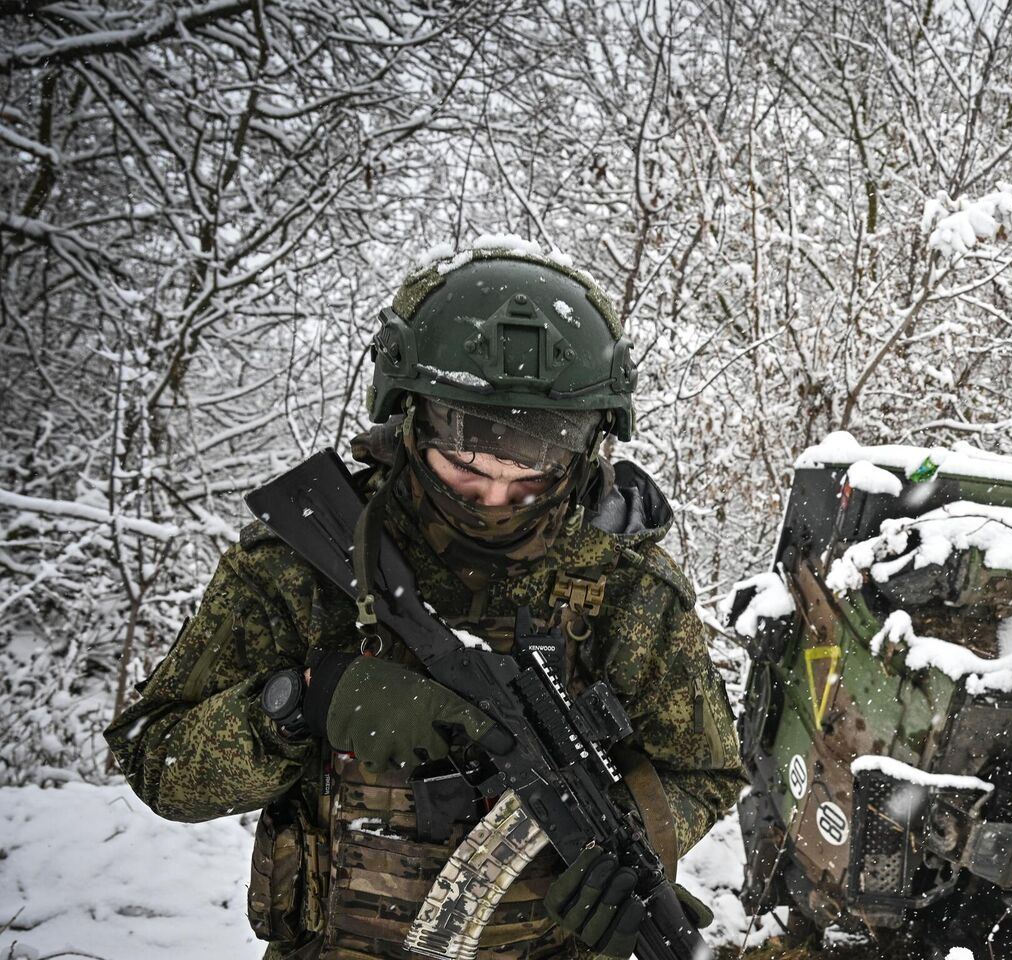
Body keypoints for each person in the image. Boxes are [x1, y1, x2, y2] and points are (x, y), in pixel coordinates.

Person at [105, 249, 745, 960]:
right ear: (407, 420)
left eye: (530, 476)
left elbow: (707, 771)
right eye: (465, 468)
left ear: (588, 449)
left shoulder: (626, 590)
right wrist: (299, 703)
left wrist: (634, 842)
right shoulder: (301, 569)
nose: (496, 499)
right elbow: (153, 760)